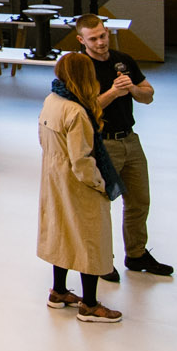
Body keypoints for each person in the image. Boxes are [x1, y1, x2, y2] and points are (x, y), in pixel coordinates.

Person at [74, 14, 169, 279]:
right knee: (100, 206)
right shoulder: (80, 67)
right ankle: (102, 261)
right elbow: (83, 110)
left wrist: (133, 89)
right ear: (81, 40)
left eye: (103, 35)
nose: (100, 42)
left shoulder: (123, 60)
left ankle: (136, 254)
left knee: (139, 201)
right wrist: (114, 92)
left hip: (130, 139)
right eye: (93, 38)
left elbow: (148, 96)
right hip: (101, 143)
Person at [38, 51, 120, 324]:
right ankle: (90, 305)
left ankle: (58, 291)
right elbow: (82, 161)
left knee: (61, 232)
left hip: (53, 178)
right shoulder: (77, 111)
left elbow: (42, 139)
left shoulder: (51, 100)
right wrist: (101, 185)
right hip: (78, 185)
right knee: (90, 240)